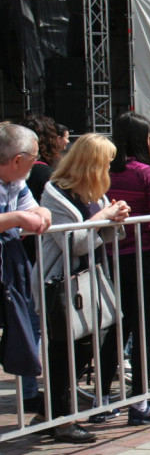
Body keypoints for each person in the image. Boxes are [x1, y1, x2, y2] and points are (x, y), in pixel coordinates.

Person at [35, 134, 131, 443]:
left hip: (88, 281)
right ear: (90, 162)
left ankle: (52, 412)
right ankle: (60, 417)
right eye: (105, 160)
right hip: (60, 284)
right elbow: (74, 244)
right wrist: (104, 217)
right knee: (65, 349)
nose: (109, 166)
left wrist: (116, 220)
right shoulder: (56, 191)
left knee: (83, 346)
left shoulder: (96, 194)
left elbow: (106, 238)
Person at [105, 111, 150, 426]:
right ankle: (140, 402)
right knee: (144, 330)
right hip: (144, 259)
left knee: (114, 330)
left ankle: (102, 400)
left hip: (110, 259)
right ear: (142, 139)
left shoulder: (103, 172)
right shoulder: (149, 174)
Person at [0, 123, 52, 419]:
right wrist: (16, 218)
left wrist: (40, 213)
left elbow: (35, 209)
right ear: (18, 160)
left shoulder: (16, 182)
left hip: (11, 270)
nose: (37, 164)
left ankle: (29, 392)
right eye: (34, 158)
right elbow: (22, 214)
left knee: (24, 328)